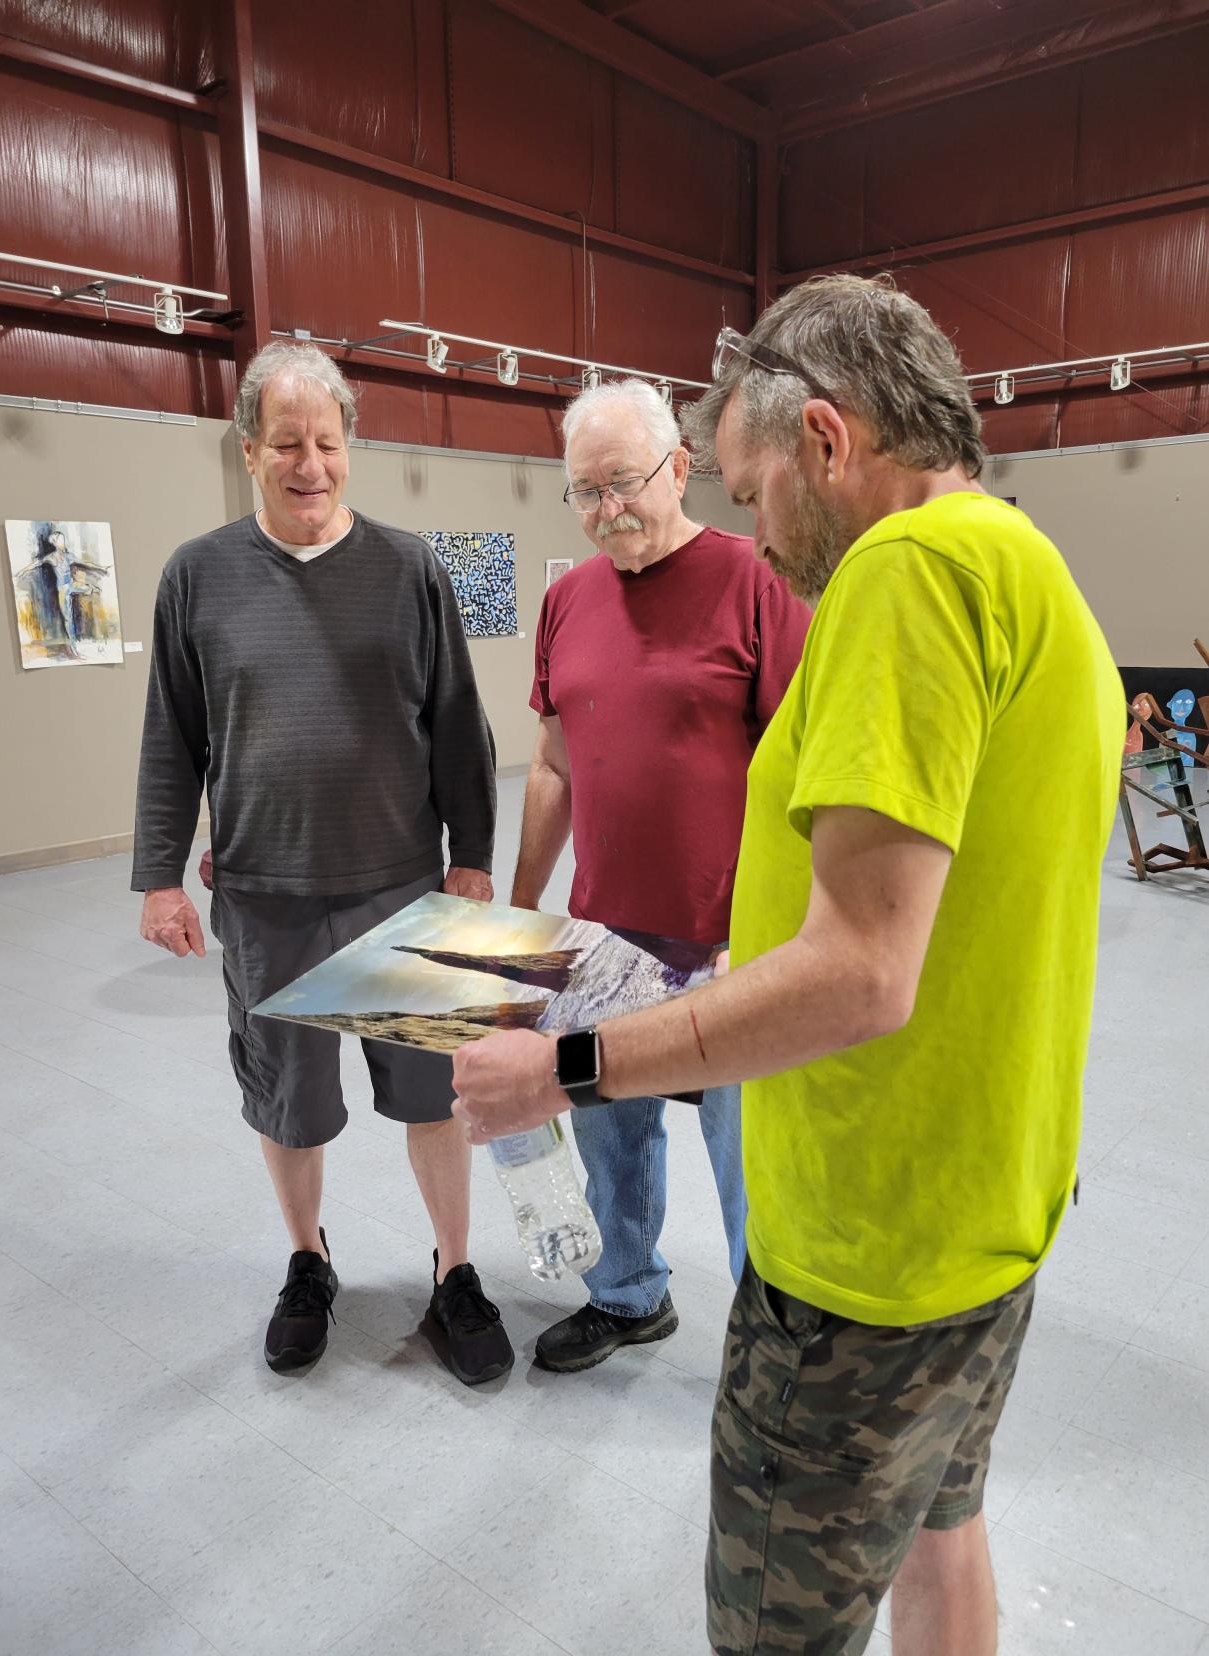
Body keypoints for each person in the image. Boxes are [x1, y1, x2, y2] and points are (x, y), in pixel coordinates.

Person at [450, 275, 1124, 1654]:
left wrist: (564, 1067)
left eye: (756, 490)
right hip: (987, 1208)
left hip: (864, 1261)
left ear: (827, 442)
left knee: (772, 1631)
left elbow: (858, 972)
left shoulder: (902, 569)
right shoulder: (1027, 565)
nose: (760, 530)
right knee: (944, 1535)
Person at [132, 341, 513, 1388]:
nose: (311, 465)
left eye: (328, 444)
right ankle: (308, 1260)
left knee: (435, 1098)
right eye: (288, 444)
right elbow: (173, 738)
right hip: (266, 899)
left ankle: (454, 1269)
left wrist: (472, 862)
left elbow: (457, 730)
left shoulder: (409, 570)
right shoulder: (198, 577)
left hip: (403, 891)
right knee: (288, 1106)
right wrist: (162, 875)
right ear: (250, 450)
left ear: (351, 449)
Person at [512, 378, 811, 1372]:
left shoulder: (752, 580)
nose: (608, 512)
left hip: (733, 942)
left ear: (680, 468)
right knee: (612, 1137)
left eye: (624, 485)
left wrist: (776, 923)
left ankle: (775, 1345)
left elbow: (798, 768)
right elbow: (554, 765)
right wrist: (520, 914)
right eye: (585, 494)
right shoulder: (567, 600)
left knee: (749, 1162)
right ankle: (628, 1294)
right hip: (604, 937)